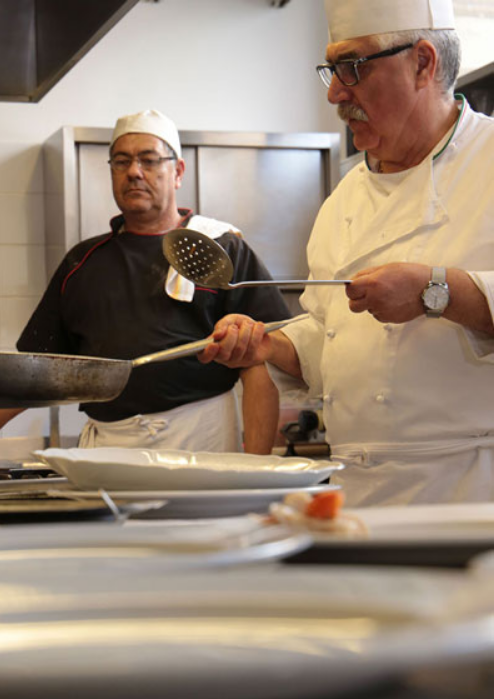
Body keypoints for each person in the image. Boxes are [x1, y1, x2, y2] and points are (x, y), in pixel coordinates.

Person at [199, 0, 494, 507]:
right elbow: (328, 335)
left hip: (472, 494)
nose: (336, 92)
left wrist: (435, 290)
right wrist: (272, 347)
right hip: (359, 494)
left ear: (423, 63)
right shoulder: (343, 199)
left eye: (353, 67)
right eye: (332, 70)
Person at [0, 109, 290, 467]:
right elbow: (35, 373)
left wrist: (257, 466)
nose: (134, 172)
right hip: (108, 448)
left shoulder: (219, 249)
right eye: (121, 162)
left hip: (201, 441)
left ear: (178, 172)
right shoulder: (83, 262)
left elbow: (262, 362)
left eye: (149, 160)